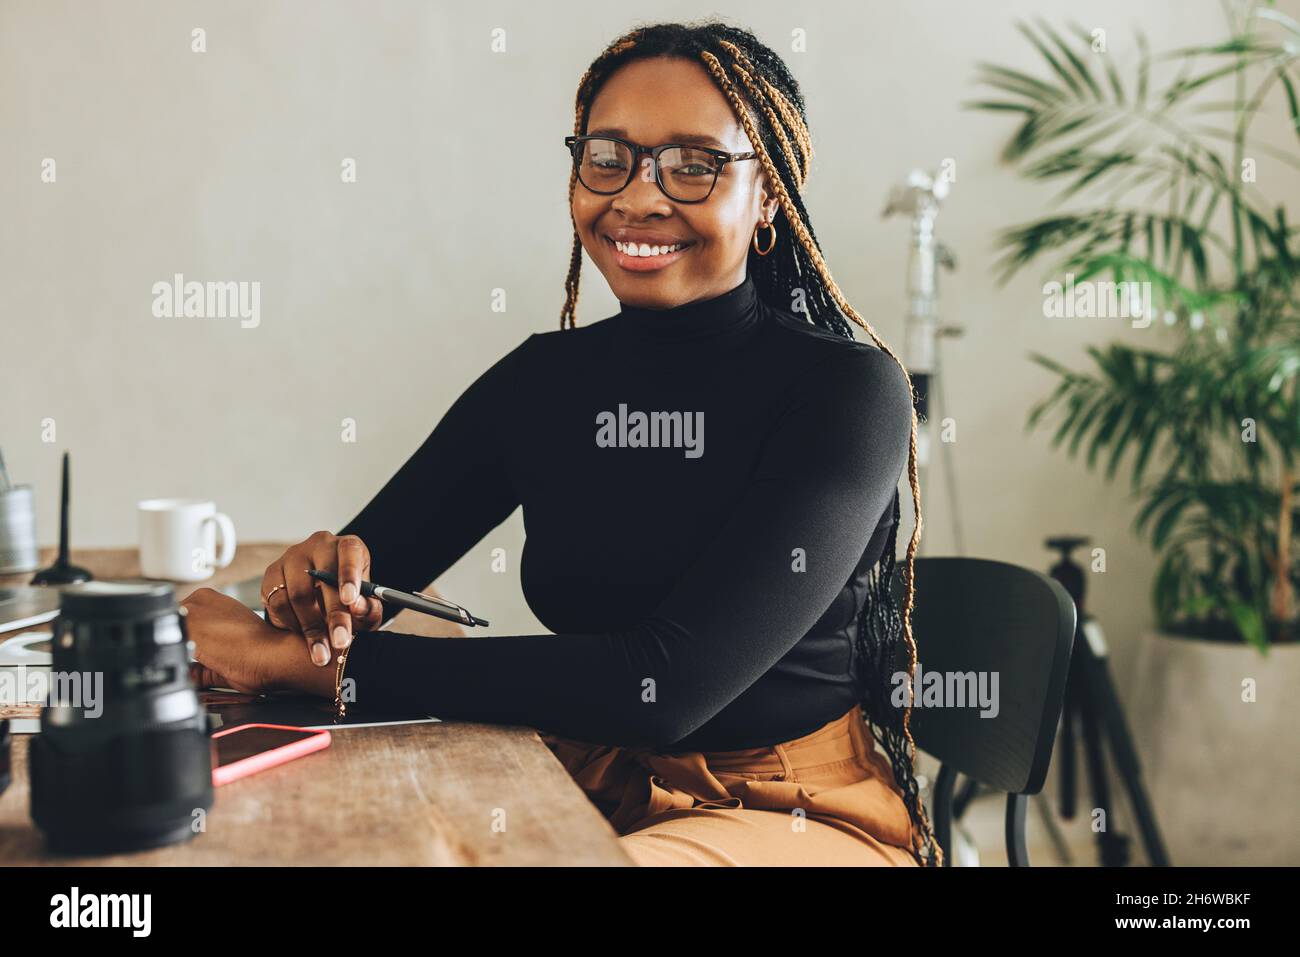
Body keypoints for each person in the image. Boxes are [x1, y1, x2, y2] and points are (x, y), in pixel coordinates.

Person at [183, 20, 942, 867]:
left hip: (787, 810)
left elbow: (664, 688)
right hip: (586, 776)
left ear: (769, 195)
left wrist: (306, 668)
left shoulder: (847, 392)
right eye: (609, 156)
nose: (640, 197)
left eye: (694, 164)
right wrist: (320, 588)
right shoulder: (545, 381)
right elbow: (369, 575)